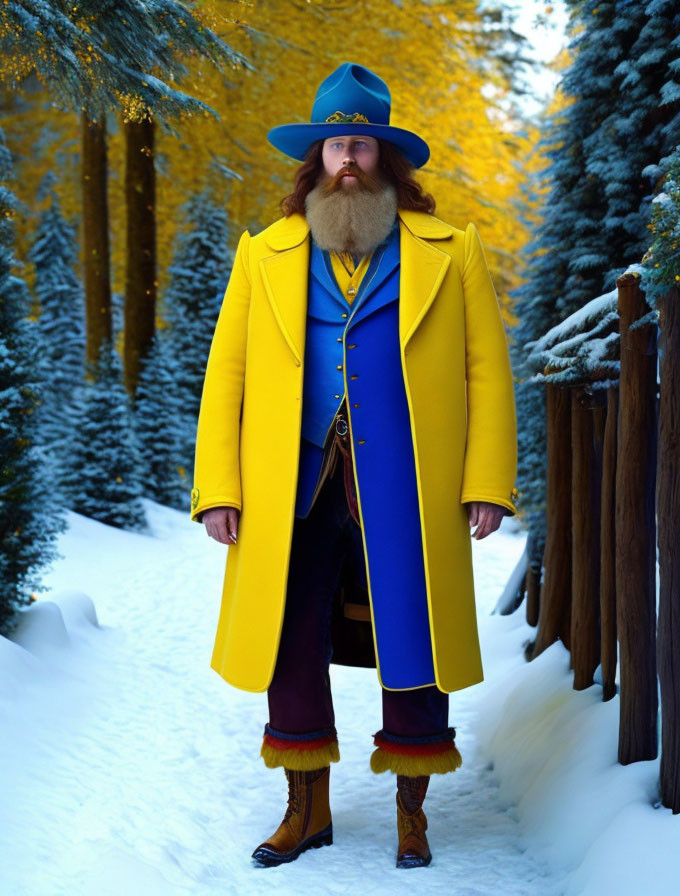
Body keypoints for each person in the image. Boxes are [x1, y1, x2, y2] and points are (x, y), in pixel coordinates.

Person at [191, 62, 519, 869]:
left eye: (364, 147)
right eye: (337, 144)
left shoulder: (452, 252)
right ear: (315, 159)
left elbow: (486, 372)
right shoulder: (262, 255)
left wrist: (486, 483)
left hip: (409, 483)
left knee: (417, 637)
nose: (349, 159)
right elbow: (225, 373)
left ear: (388, 162)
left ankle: (414, 815)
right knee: (288, 638)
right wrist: (218, 489)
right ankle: (306, 812)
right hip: (288, 485)